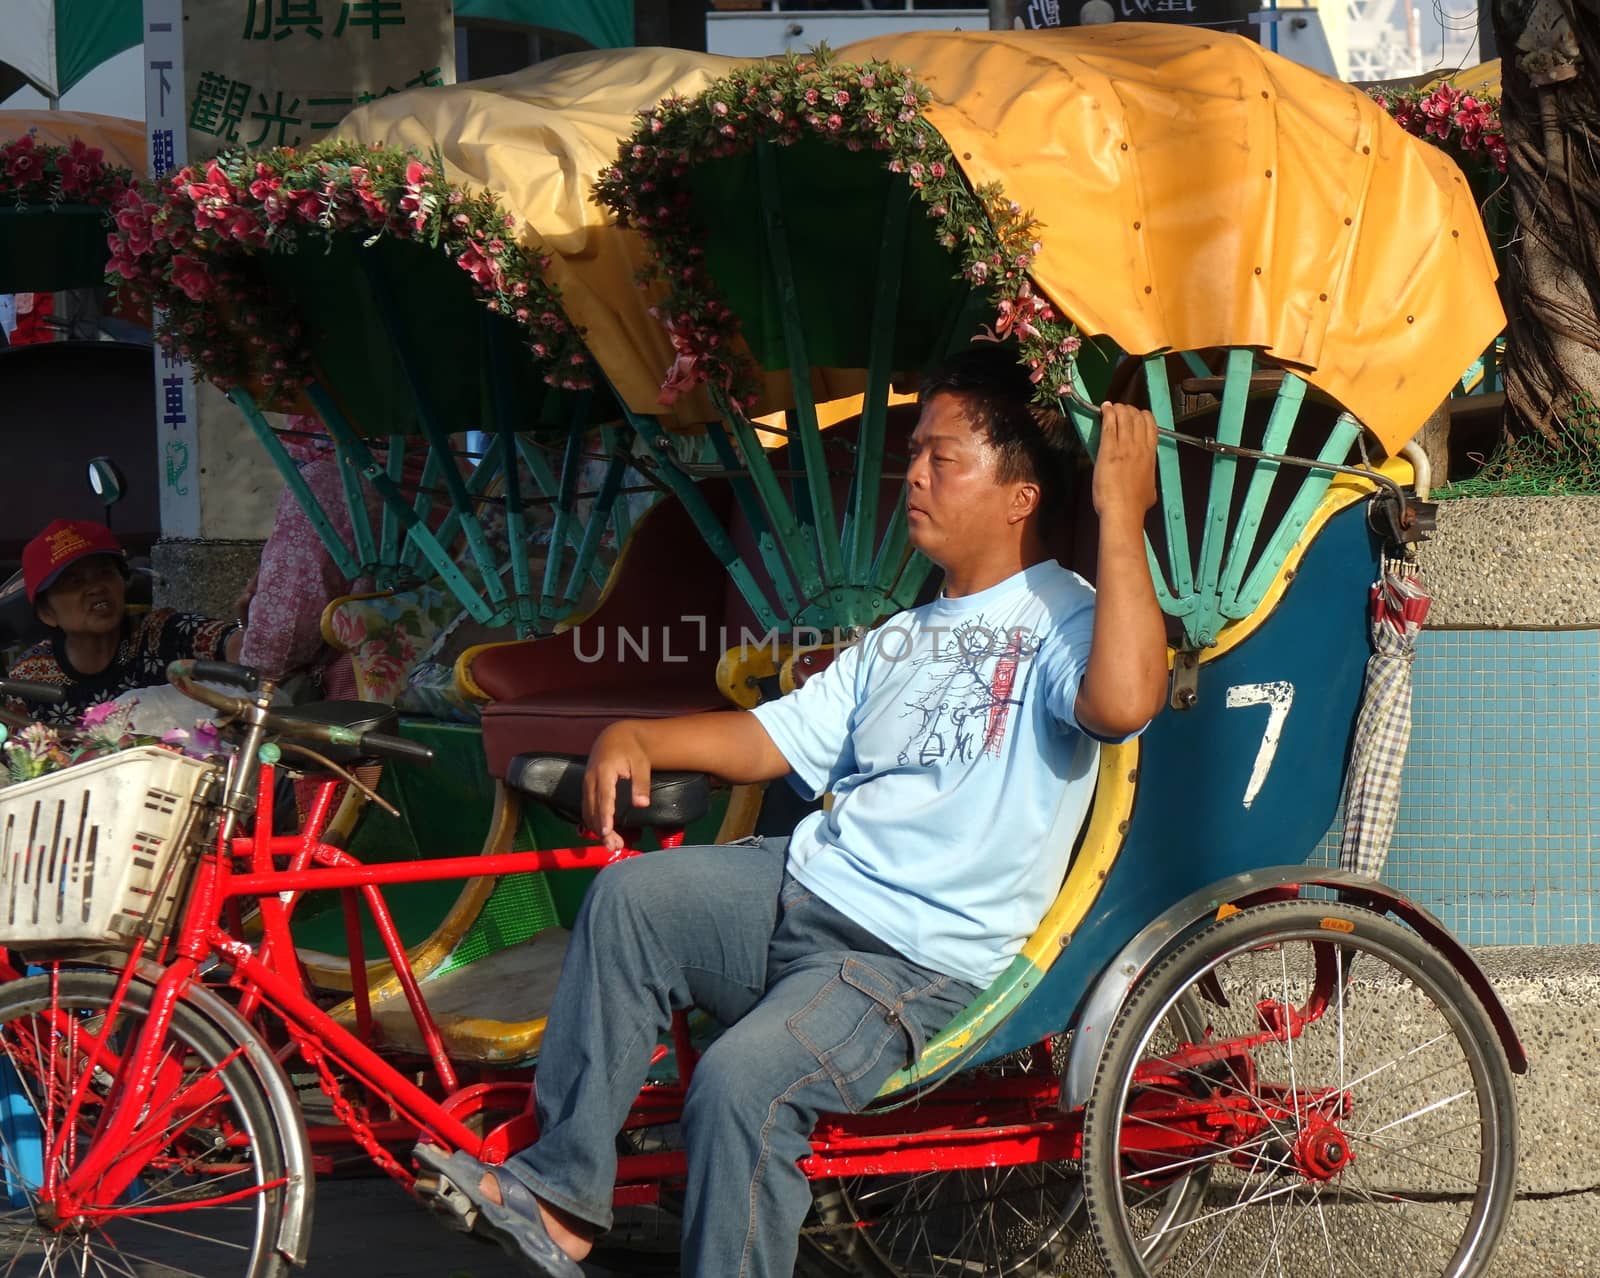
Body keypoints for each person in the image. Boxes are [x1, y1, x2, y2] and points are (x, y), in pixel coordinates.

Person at [415, 347, 1169, 1278]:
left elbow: (1127, 702)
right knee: (631, 900)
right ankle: (564, 1195)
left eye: (943, 457)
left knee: (742, 1086)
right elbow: (769, 741)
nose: (915, 478)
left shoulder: (1067, 619)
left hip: (906, 957)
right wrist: (638, 738)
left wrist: (1120, 514)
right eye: (915, 456)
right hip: (799, 885)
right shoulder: (901, 634)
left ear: (1019, 495)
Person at [5, 519, 244, 727]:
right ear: (47, 613)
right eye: (74, 582)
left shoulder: (163, 634)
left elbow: (234, 645)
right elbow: (20, 763)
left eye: (105, 573)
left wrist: (256, 632)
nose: (96, 587)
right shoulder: (30, 676)